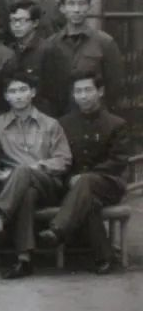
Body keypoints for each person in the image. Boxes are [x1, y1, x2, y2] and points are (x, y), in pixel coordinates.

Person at [0, 73, 71, 279]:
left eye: (23, 90)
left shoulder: (50, 124)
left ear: (33, 93)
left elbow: (63, 160)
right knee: (26, 193)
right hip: (14, 187)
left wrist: (37, 166)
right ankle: (24, 259)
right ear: (6, 96)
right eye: (12, 91)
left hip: (47, 184)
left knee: (23, 170)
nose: (18, 95)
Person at [38, 72, 131, 274]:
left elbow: (118, 161)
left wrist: (87, 176)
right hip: (75, 186)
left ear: (100, 91)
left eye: (88, 90)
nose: (83, 96)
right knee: (89, 200)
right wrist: (72, 178)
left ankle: (58, 229)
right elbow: (60, 156)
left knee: (86, 183)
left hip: (109, 183)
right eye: (78, 91)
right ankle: (104, 257)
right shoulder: (64, 123)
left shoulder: (117, 124)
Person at [48, 0, 125, 111]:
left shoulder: (105, 43)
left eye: (81, 3)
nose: (77, 9)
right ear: (62, 8)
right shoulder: (51, 44)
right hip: (61, 115)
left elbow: (114, 85)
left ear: (89, 7)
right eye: (71, 4)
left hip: (95, 115)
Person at [8, 0, 70, 118]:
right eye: (13, 21)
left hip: (43, 116)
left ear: (35, 23)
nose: (16, 25)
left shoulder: (49, 50)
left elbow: (59, 93)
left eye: (22, 21)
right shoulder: (10, 50)